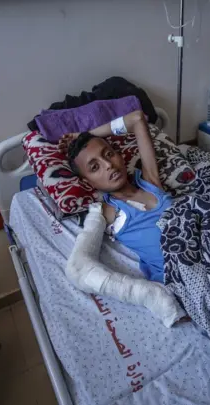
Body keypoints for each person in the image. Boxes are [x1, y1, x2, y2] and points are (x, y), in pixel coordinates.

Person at [65, 110, 170, 283]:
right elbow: (79, 264)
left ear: (119, 155)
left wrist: (88, 135)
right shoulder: (107, 211)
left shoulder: (151, 183)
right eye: (94, 167)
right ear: (87, 183)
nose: (108, 165)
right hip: (180, 276)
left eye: (108, 154)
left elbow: (137, 118)